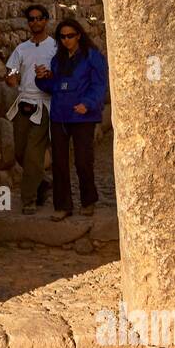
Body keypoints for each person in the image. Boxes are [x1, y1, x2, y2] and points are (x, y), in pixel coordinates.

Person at [36, 18, 108, 219]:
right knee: (59, 162)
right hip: (59, 116)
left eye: (70, 36)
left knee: (83, 161)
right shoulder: (57, 60)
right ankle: (63, 206)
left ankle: (88, 201)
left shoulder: (93, 57)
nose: (66, 40)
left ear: (78, 36)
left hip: (82, 116)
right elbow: (54, 87)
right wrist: (41, 78)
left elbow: (99, 85)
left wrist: (88, 103)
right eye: (62, 37)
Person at [5, 4, 57, 214]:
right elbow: (12, 71)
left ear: (46, 20)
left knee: (33, 154)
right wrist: (11, 78)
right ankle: (43, 181)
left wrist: (49, 76)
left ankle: (28, 199)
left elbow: (62, 74)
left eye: (39, 18)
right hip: (23, 103)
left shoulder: (54, 48)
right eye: (31, 19)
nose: (35, 22)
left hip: (43, 105)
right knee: (19, 152)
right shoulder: (21, 49)